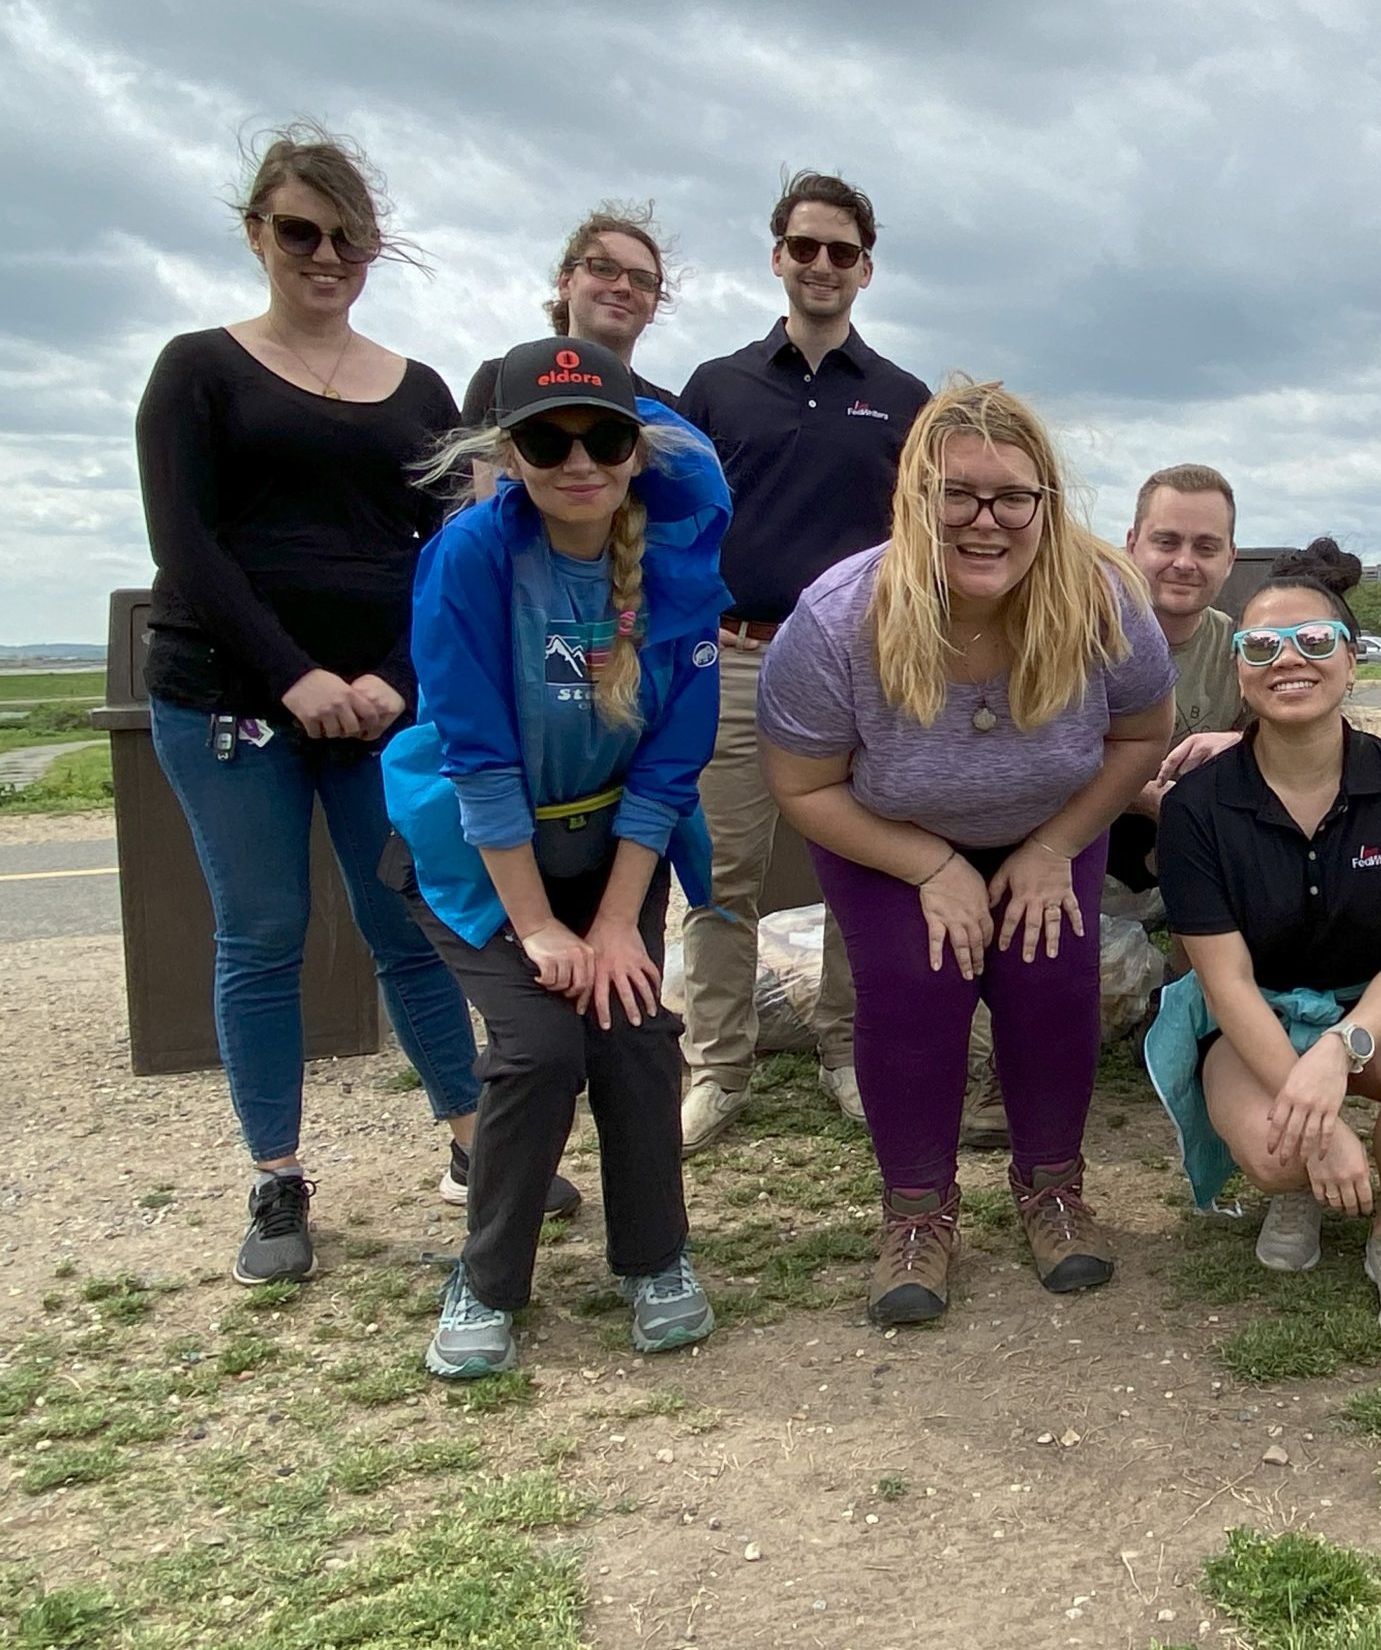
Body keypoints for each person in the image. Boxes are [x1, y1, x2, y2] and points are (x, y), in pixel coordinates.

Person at [135, 123, 501, 1286]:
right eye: (302, 231)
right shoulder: (198, 369)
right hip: (229, 699)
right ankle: (277, 1178)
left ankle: (475, 1145)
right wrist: (293, 675)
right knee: (263, 935)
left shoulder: (420, 391)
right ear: (258, 233)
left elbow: (449, 549)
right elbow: (185, 543)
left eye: (351, 237)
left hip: (378, 707)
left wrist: (393, 678)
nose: (326, 255)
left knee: (409, 927)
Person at [759, 379, 1175, 1326]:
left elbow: (1143, 736)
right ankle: (915, 1212)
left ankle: (1054, 1192)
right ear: (914, 501)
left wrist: (1056, 844)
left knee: (1049, 978)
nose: (986, 521)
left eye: (1013, 497)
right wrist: (932, 867)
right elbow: (803, 786)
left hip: (1046, 828)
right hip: (886, 833)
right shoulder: (838, 621)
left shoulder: (1106, 600)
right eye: (958, 494)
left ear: (1047, 505)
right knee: (916, 985)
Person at [384, 337, 729, 1378]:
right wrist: (538, 928)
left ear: (635, 450)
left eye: (602, 438)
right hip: (486, 863)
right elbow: (478, 757)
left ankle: (655, 1258)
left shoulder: (677, 561)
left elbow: (672, 766)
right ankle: (485, 1280)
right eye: (546, 439)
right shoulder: (471, 559)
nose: (576, 462)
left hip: (614, 849)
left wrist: (619, 922)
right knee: (538, 1048)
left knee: (631, 1031)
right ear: (509, 450)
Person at [1145, 541, 1381, 1343]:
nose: (1287, 660)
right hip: (1254, 1012)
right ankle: (1294, 1189)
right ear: (1239, 670)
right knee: (1276, 1150)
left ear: (1351, 660)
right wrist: (1323, 1127)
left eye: (1313, 642)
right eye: (1261, 646)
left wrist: (1339, 1049)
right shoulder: (1198, 807)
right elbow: (1223, 982)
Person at [675, 172, 931, 1143]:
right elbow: (673, 529)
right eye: (804, 247)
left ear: (865, 269)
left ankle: (845, 1051)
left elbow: (921, 543)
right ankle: (717, 1069)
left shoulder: (902, 399)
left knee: (857, 871)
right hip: (734, 656)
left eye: (841, 251)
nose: (822, 265)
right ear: (778, 258)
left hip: (857, 664)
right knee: (720, 875)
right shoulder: (717, 386)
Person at [1107, 463, 1243, 896]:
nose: (1184, 563)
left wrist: (1249, 744)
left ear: (1230, 558)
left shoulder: (1245, 650)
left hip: (1205, 843)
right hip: (1091, 841)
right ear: (1132, 545)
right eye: (1166, 542)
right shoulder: (1080, 637)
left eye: (1206, 547)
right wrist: (1151, 799)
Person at [462, 205, 679, 433]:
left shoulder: (672, 413)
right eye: (603, 268)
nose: (623, 287)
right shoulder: (501, 381)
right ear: (565, 283)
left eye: (642, 280)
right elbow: (482, 469)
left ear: (654, 305)